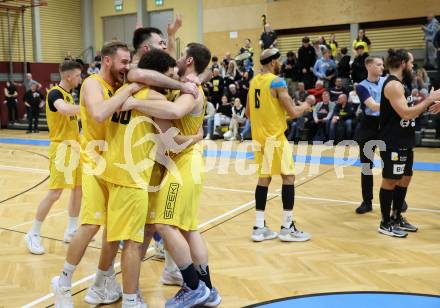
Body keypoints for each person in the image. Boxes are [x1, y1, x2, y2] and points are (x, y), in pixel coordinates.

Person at [125, 43, 220, 307]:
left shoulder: (187, 92)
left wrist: (135, 102)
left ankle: (193, 286)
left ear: (188, 61)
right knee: (189, 229)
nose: (176, 61)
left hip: (182, 165)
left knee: (163, 224)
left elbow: (174, 126)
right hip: (187, 164)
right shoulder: (189, 83)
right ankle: (208, 289)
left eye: (180, 56)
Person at [51, 41, 144, 307]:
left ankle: (101, 283)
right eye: (123, 62)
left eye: (129, 62)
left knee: (113, 232)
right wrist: (129, 89)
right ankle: (64, 281)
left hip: (114, 164)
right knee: (91, 225)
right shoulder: (93, 82)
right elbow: (100, 113)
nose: (127, 67)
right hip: (93, 162)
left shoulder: (118, 86)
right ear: (107, 60)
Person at [247, 48, 312, 243]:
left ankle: (259, 227)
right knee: (289, 178)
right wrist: (307, 104)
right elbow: (293, 112)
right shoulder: (277, 82)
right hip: (275, 138)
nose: (280, 63)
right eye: (279, 60)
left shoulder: (254, 81)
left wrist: (275, 114)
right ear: (273, 62)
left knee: (264, 179)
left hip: (259, 138)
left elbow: (249, 113)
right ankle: (287, 227)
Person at [378, 48, 440, 237]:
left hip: (405, 139)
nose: (413, 66)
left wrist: (430, 106)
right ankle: (385, 222)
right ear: (403, 63)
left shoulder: (402, 84)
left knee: (405, 178)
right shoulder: (393, 86)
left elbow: (408, 113)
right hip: (392, 141)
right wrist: (429, 99)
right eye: (411, 63)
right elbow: (405, 113)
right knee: (390, 180)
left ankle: (397, 217)